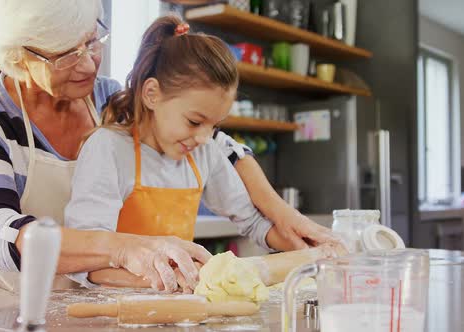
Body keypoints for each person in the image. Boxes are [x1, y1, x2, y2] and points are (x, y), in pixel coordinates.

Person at [0, 0, 337, 297]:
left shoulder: (108, 99)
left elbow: (221, 147)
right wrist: (123, 249)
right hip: (5, 302)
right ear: (18, 57)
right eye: (66, 54)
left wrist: (282, 214)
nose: (88, 62)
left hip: (90, 297)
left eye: (92, 41)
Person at [64, 16, 338, 293]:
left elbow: (255, 222)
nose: (206, 138)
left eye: (214, 126)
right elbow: (87, 260)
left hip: (178, 305)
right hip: (114, 310)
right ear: (151, 94)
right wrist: (167, 279)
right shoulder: (109, 149)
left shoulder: (203, 153)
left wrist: (312, 248)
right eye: (195, 122)